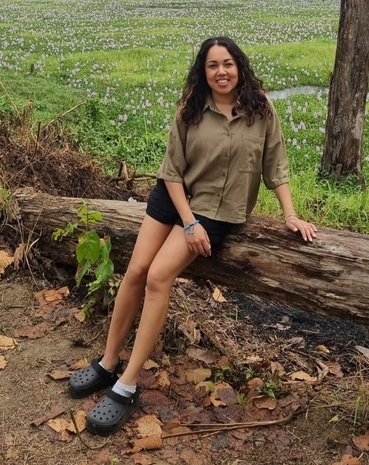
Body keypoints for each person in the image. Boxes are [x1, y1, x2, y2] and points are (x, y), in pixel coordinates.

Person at [68, 36, 317, 436]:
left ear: (240, 67)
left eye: (228, 63)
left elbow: (277, 168)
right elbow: (170, 172)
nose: (222, 71)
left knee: (158, 276)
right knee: (135, 272)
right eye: (213, 65)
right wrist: (187, 222)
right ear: (203, 72)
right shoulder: (191, 110)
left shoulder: (261, 110)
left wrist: (291, 215)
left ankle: (128, 384)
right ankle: (108, 362)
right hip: (176, 200)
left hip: (217, 210)